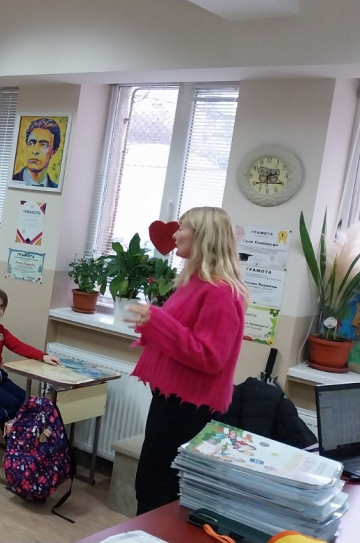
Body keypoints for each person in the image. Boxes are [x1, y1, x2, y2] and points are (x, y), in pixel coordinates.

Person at [124, 206, 247, 515]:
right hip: (172, 402)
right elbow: (179, 335)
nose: (176, 234)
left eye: (183, 228)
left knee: (157, 491)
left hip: (187, 410)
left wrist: (157, 322)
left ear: (203, 236)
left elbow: (210, 356)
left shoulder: (220, 292)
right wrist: (153, 325)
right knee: (151, 487)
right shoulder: (194, 283)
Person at [0, 251, 59, 430]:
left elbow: (18, 346)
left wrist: (43, 356)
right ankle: (12, 441)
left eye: (1, 306)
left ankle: (23, 440)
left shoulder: (0, 330)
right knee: (11, 404)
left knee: (26, 401)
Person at [12, 117, 62, 188]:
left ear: (53, 151)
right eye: (31, 143)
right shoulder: (11, 180)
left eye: (44, 145)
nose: (35, 151)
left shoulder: (55, 188)